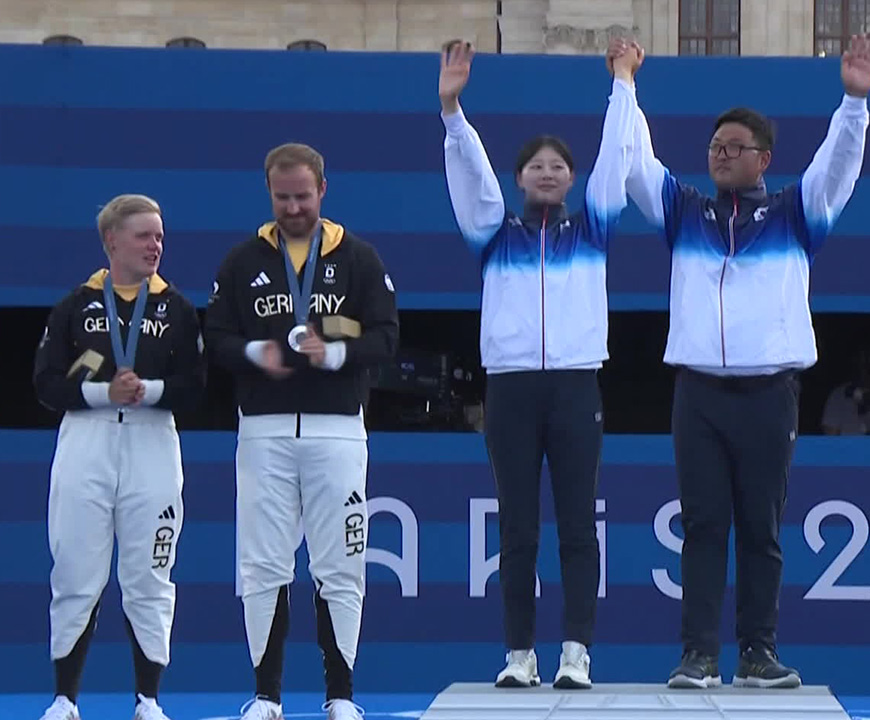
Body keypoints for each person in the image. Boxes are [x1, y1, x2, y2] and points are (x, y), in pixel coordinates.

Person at [620, 34, 870, 689]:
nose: (721, 156)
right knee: (703, 525)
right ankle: (699, 655)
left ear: (763, 158)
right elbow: (633, 165)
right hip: (698, 393)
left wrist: (853, 101)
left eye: (734, 148)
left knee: (761, 529)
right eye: (714, 147)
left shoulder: (797, 212)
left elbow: (840, 164)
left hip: (770, 393)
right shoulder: (683, 213)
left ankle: (758, 653)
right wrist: (624, 86)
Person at [437, 37, 639, 690]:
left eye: (558, 166)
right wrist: (452, 113)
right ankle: (519, 654)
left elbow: (617, 160)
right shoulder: (495, 236)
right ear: (519, 178)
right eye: (536, 166)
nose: (548, 173)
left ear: (571, 180)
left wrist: (622, 85)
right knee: (518, 526)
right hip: (512, 388)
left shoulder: (594, 230)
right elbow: (468, 177)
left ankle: (576, 652)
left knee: (578, 526)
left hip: (578, 385)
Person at [203, 143, 400, 720]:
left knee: (341, 562)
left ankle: (340, 696)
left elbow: (386, 339)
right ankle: (266, 695)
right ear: (269, 193)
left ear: (323, 191)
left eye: (302, 196)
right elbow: (214, 340)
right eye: (282, 197)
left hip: (337, 429)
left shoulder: (359, 258)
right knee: (263, 563)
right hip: (262, 429)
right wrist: (252, 352)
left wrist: (334, 354)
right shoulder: (241, 262)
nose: (292, 207)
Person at [32, 194, 204, 720]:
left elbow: (195, 389)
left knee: (151, 573)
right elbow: (44, 383)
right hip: (87, 440)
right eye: (143, 236)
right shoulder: (73, 307)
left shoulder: (176, 309)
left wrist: (146, 391)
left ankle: (148, 700)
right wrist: (104, 393)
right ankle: (65, 699)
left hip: (153, 442)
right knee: (76, 571)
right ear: (112, 241)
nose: (155, 245)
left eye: (159, 236)